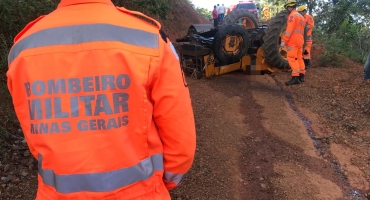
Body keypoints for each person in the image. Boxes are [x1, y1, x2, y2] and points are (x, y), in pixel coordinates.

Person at [6, 0, 196, 199]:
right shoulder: (149, 40)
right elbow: (180, 143)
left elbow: (33, 133)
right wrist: (160, 184)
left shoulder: (22, 48)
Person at [281, 0, 307, 86]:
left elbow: (289, 30)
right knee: (299, 58)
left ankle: (295, 78)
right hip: (300, 41)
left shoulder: (292, 16)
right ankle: (301, 76)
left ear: (290, 7)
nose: (287, 9)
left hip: (293, 41)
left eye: (288, 7)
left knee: (292, 58)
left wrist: (284, 41)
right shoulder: (302, 17)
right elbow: (302, 31)